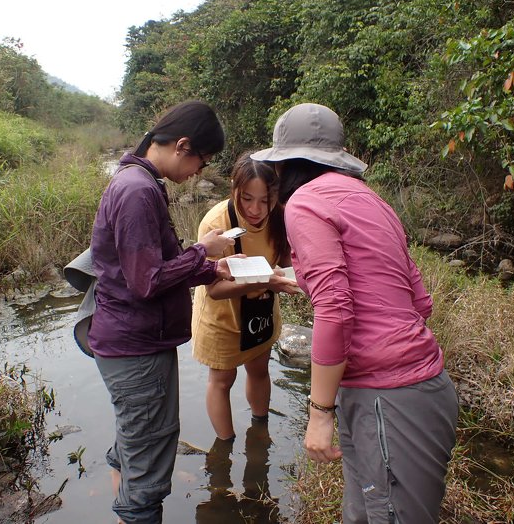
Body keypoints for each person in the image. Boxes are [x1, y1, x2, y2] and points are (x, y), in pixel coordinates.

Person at [251, 103, 459, 524]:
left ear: (283, 166)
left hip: (387, 399)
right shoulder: (372, 200)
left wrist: (319, 413)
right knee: (363, 512)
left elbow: (335, 309)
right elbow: (420, 301)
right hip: (421, 388)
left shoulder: (305, 203)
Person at [88, 100, 236, 524]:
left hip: (128, 342)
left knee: (134, 444)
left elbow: (148, 266)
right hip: (136, 348)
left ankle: (124, 507)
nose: (199, 172)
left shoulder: (138, 180)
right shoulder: (137, 190)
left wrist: (207, 267)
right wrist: (201, 252)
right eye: (201, 161)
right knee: (149, 459)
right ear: (182, 145)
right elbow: (146, 280)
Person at [191, 155, 300, 441]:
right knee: (222, 380)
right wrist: (267, 280)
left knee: (259, 368)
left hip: (260, 310)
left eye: (265, 200)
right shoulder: (216, 223)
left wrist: (286, 276)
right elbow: (213, 290)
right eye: (247, 198)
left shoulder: (280, 215)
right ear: (233, 188)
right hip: (222, 317)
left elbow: (287, 260)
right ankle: (225, 448)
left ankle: (260, 432)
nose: (255, 210)